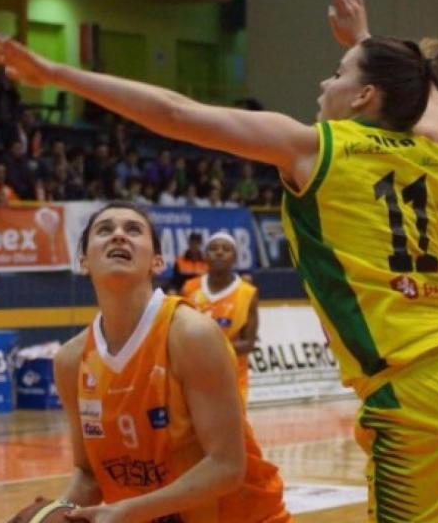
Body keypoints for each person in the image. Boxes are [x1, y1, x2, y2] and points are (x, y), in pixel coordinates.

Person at [0, 0, 438, 522]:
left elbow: (177, 114)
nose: (323, 83)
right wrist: (363, 41)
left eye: (338, 74)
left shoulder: (318, 148)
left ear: (364, 96)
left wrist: (57, 75)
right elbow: (419, 93)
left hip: (420, 393)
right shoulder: (433, 153)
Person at [51, 203, 290, 522]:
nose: (119, 235)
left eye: (133, 230)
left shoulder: (191, 334)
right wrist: (55, 513)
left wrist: (129, 511)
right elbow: (88, 473)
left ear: (157, 262)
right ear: (83, 261)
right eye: (105, 230)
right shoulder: (70, 361)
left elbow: (227, 467)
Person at [181, 231, 258, 404]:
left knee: (233, 430)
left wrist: (210, 348)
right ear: (205, 256)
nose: (219, 252)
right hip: (195, 377)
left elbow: (248, 343)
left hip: (232, 378)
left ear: (235, 257)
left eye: (226, 249)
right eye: (213, 248)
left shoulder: (247, 293)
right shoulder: (189, 289)